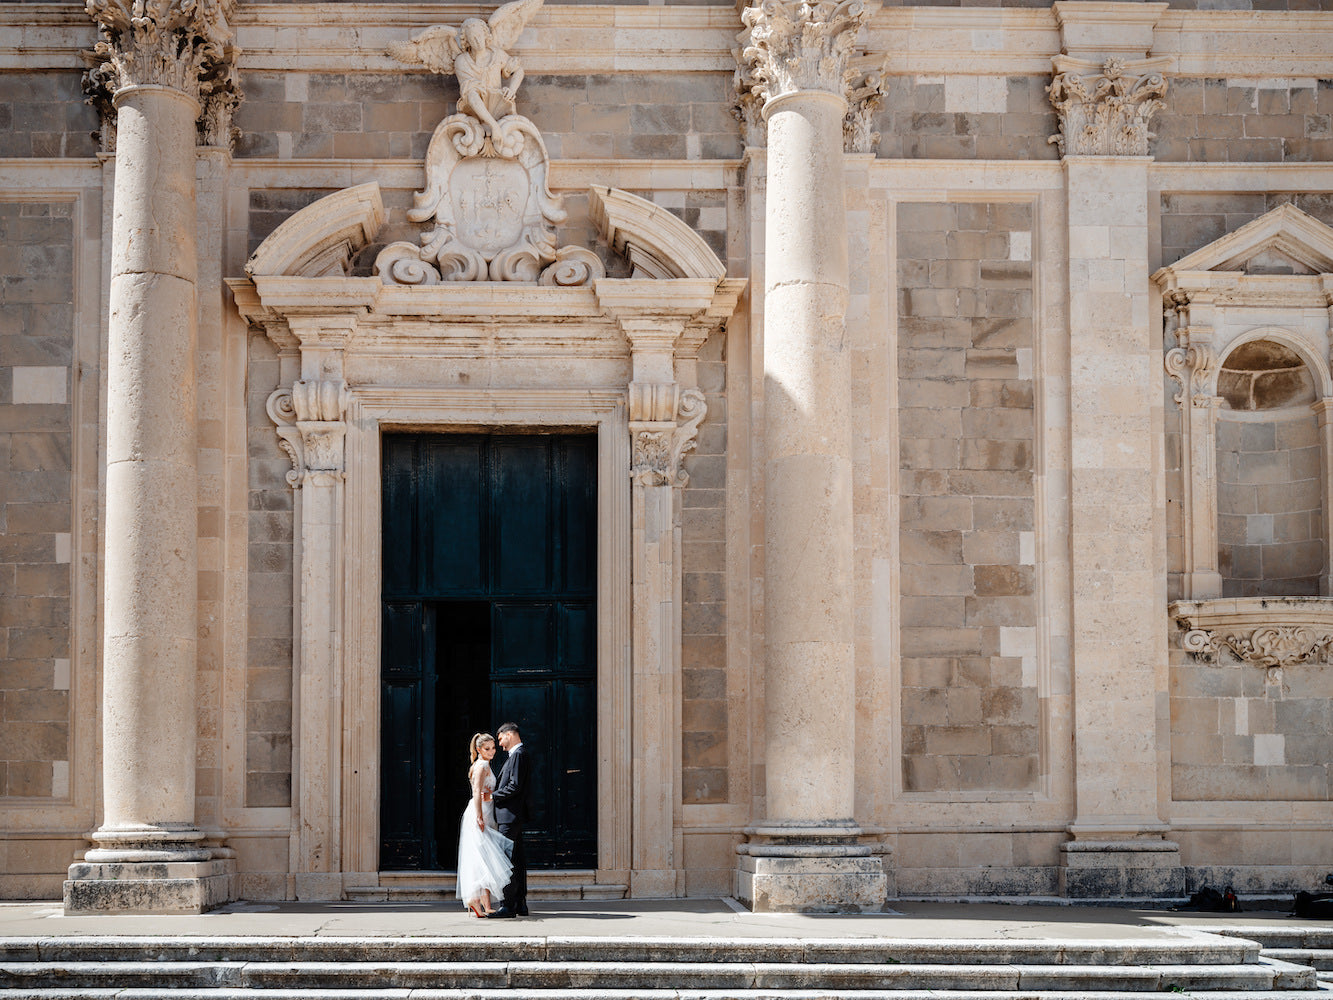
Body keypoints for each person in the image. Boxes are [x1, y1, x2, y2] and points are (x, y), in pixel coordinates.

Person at [455, 732, 513, 918]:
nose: (492, 751)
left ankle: (485, 904)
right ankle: (476, 900)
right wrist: (479, 817)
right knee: (481, 857)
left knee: (485, 857)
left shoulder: (485, 765)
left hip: (487, 812)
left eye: (494, 748)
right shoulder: (480, 766)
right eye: (487, 749)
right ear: (479, 750)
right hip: (480, 813)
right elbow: (476, 792)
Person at [487, 722, 532, 918]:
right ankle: (520, 904)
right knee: (517, 861)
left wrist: (493, 796)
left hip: (509, 816)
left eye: (500, 739)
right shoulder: (518, 755)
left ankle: (508, 906)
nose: (500, 744)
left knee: (504, 861)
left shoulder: (518, 755)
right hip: (514, 816)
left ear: (509, 734)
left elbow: (514, 786)